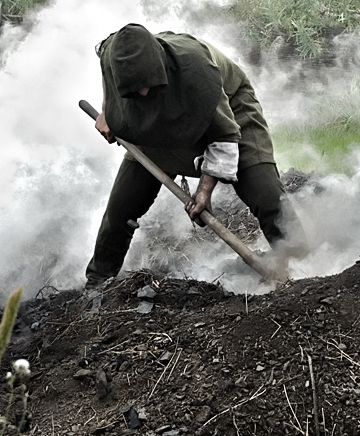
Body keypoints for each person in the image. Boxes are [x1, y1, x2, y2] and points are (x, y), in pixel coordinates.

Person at [85, 23, 304, 288]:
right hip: (152, 122)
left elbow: (223, 136)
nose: (142, 92)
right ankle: (97, 285)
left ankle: (305, 271)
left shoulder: (196, 71)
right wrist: (108, 109)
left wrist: (203, 192)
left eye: (146, 85)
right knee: (121, 207)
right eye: (134, 88)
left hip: (231, 113)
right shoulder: (112, 53)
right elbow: (107, 69)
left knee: (266, 195)